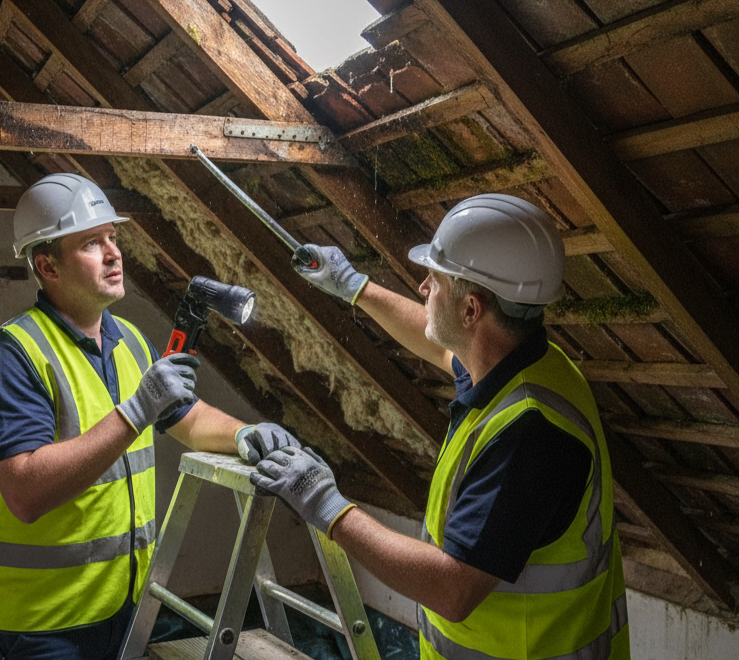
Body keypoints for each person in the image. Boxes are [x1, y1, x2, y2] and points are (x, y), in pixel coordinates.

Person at [251, 194, 630, 659]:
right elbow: (440, 346)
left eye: (435, 279)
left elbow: (453, 589)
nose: (423, 287)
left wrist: (324, 503)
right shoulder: (530, 363)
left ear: (471, 310)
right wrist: (354, 287)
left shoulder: (531, 436)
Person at [0, 174, 298, 660]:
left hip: (123, 609)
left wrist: (245, 434)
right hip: (36, 626)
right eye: (91, 243)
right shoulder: (11, 357)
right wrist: (137, 410)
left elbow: (187, 418)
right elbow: (26, 492)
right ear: (47, 265)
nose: (114, 254)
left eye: (112, 237)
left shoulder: (131, 342)